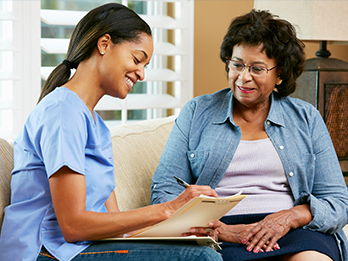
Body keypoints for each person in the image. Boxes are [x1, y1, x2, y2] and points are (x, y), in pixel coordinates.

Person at [0, 3, 223, 261]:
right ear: (104, 44)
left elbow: (116, 228)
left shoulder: (97, 126)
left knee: (198, 250)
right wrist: (168, 209)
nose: (141, 73)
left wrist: (180, 227)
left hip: (80, 248)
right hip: (45, 252)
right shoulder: (63, 112)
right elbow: (73, 226)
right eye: (138, 59)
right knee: (201, 259)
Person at [151, 9, 348, 261]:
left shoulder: (306, 118)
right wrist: (214, 228)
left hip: (290, 229)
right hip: (218, 233)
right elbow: (164, 191)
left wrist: (291, 217)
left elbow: (338, 202)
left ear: (280, 73)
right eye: (237, 64)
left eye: (257, 68)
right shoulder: (197, 112)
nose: (243, 77)